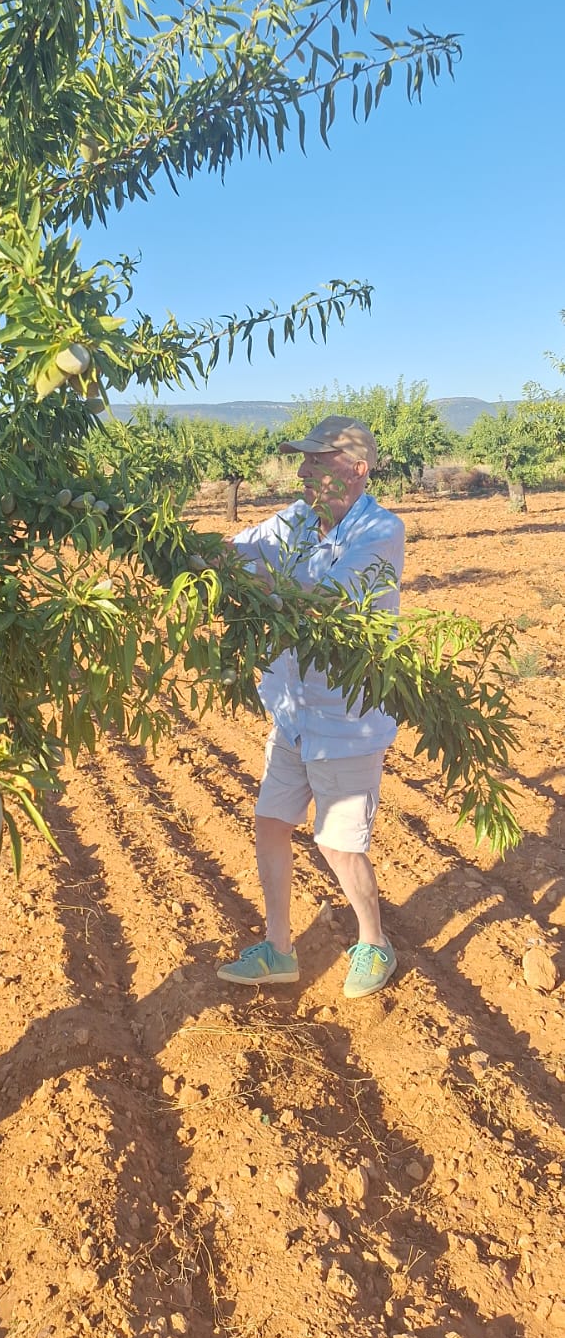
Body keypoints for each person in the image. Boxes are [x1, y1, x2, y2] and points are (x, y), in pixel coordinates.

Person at [217, 415, 405, 1000]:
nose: (303, 470)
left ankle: (374, 941)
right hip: (293, 710)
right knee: (271, 823)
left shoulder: (380, 531)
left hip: (345, 718)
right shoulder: (298, 518)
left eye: (317, 461)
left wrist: (258, 587)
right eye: (304, 459)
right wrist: (176, 545)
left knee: (338, 843)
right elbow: (241, 550)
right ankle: (278, 948)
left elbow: (319, 603)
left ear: (356, 469)